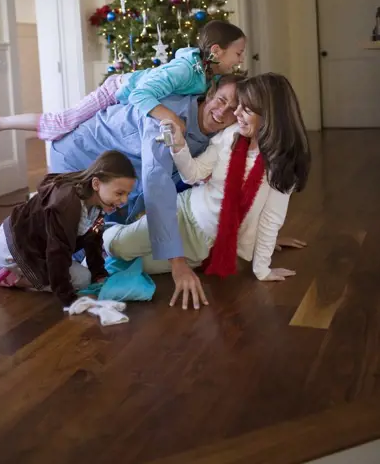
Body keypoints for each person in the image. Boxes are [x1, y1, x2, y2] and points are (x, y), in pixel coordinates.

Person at [102, 74, 311, 310]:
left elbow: (271, 219)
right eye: (238, 106)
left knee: (139, 263)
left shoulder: (281, 166)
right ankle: (108, 229)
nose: (237, 114)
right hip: (184, 212)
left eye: (246, 109)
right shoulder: (230, 137)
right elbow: (192, 175)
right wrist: (179, 146)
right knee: (116, 247)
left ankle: (139, 239)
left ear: (270, 115)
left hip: (203, 245)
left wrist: (262, 268)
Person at [48, 75, 241, 310]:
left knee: (95, 249)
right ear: (209, 95)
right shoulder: (168, 117)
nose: (223, 112)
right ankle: (14, 262)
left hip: (120, 177)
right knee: (66, 252)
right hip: (79, 157)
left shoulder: (217, 136)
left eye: (233, 109)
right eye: (221, 100)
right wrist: (177, 264)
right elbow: (157, 185)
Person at [0, 20, 245, 159]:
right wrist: (169, 117)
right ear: (217, 51)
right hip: (117, 90)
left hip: (127, 96)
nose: (240, 60)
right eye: (238, 53)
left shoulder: (206, 76)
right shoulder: (185, 69)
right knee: (59, 124)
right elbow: (139, 95)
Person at [0, 151, 136, 308]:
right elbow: (57, 254)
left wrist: (100, 272)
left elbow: (93, 239)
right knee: (81, 279)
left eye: (127, 194)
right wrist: (71, 299)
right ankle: (20, 280)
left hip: (13, 240)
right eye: (120, 193)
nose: (124, 200)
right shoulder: (67, 206)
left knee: (6, 259)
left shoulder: (97, 204)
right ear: (96, 183)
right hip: (19, 247)